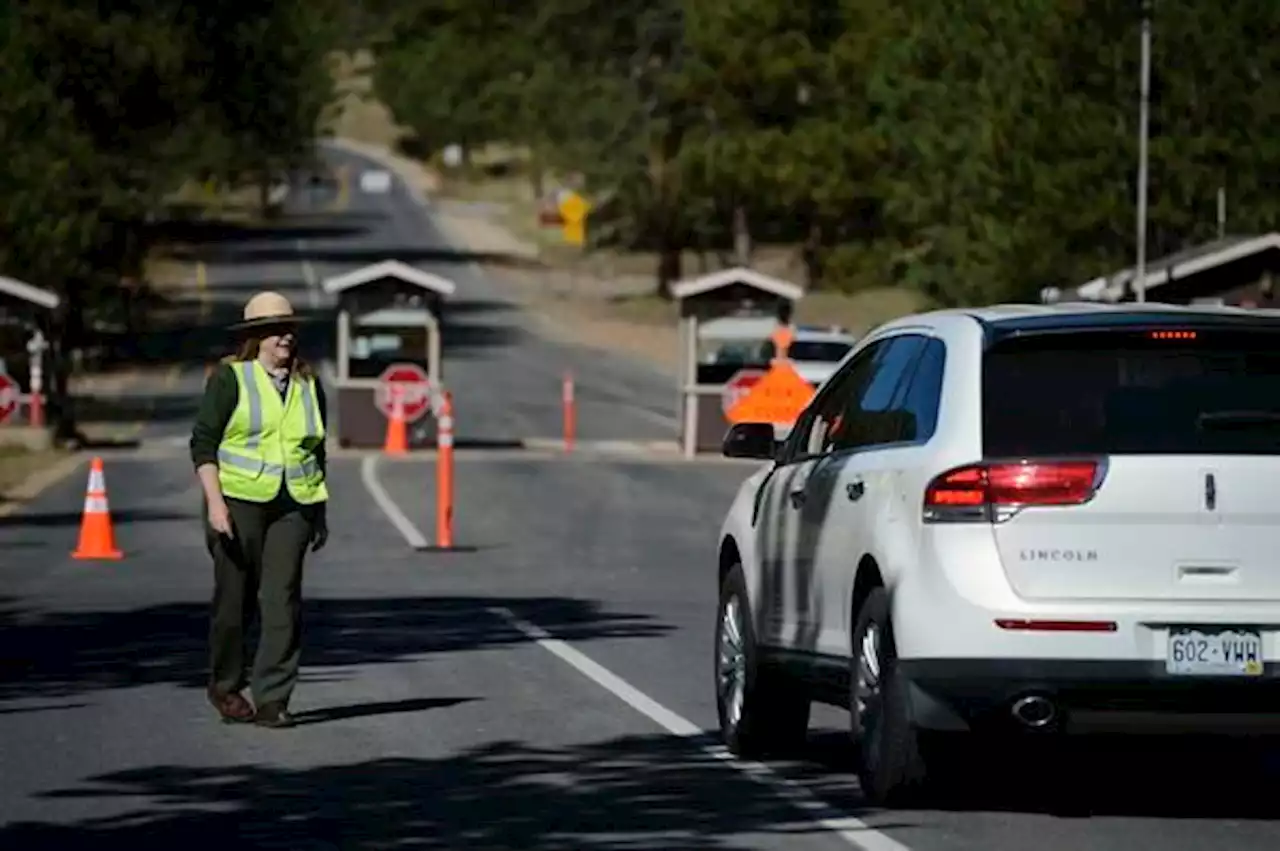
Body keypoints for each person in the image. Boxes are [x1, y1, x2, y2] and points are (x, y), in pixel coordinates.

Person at [189, 291, 329, 728]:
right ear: (255, 337)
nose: (285, 337)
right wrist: (215, 504)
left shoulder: (310, 384)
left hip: (296, 505)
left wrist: (320, 513)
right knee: (235, 602)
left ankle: (273, 698)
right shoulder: (231, 379)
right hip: (237, 502)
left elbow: (316, 450)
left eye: (289, 328)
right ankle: (226, 686)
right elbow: (204, 443)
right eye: (274, 330)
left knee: (282, 600)